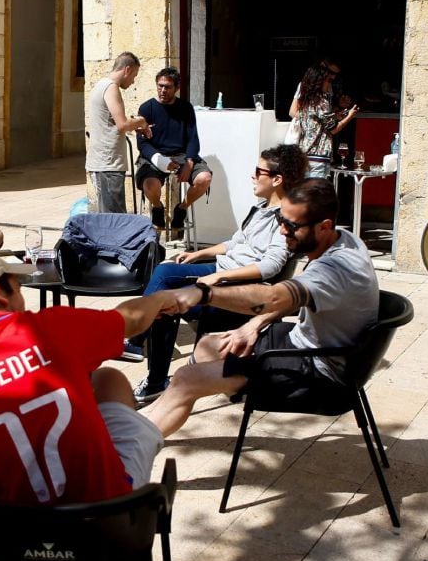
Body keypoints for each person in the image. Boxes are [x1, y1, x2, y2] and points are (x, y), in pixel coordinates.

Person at [0, 248, 195, 512]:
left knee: (106, 378)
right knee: (110, 379)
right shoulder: (50, 328)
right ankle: (176, 400)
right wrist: (160, 298)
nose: (22, 298)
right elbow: (130, 319)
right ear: (0, 293)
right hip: (105, 527)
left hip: (7, 553)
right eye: (17, 288)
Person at [143, 179, 379, 438]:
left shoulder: (334, 269)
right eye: (281, 221)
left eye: (291, 226)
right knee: (207, 346)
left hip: (320, 373)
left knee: (188, 377)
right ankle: (162, 407)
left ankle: (131, 446)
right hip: (306, 346)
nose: (281, 232)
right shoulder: (344, 240)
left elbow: (274, 297)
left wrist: (203, 293)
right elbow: (294, 300)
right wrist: (253, 325)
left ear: (324, 227)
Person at [129, 144, 307, 403]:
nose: (253, 176)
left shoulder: (284, 219)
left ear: (277, 179)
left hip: (237, 288)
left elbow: (271, 266)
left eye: (259, 172)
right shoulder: (261, 209)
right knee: (164, 295)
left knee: (165, 279)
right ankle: (153, 375)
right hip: (222, 271)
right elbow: (235, 243)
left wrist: (217, 278)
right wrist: (198, 254)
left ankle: (135, 341)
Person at [135, 67, 213, 232]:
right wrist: (160, 160)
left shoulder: (185, 108)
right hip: (155, 155)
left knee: (204, 178)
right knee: (149, 184)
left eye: (167, 87)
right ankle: (157, 207)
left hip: (182, 155)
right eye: (160, 85)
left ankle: (182, 208)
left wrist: (190, 162)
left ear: (176, 88)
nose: (163, 90)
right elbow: (142, 144)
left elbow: (193, 137)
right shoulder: (146, 108)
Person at [85, 51, 153, 213]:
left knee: (109, 217)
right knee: (114, 218)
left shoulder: (101, 85)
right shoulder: (111, 88)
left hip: (103, 163)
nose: (133, 81)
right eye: (134, 75)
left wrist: (133, 123)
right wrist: (142, 121)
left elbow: (113, 122)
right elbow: (122, 124)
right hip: (108, 165)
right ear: (127, 70)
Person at [289, 60, 360, 178]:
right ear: (320, 81)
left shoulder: (307, 101)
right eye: (329, 79)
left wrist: (336, 114)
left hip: (304, 154)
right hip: (318, 156)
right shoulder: (322, 102)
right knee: (316, 194)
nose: (331, 82)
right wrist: (350, 116)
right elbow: (334, 129)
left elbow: (318, 121)